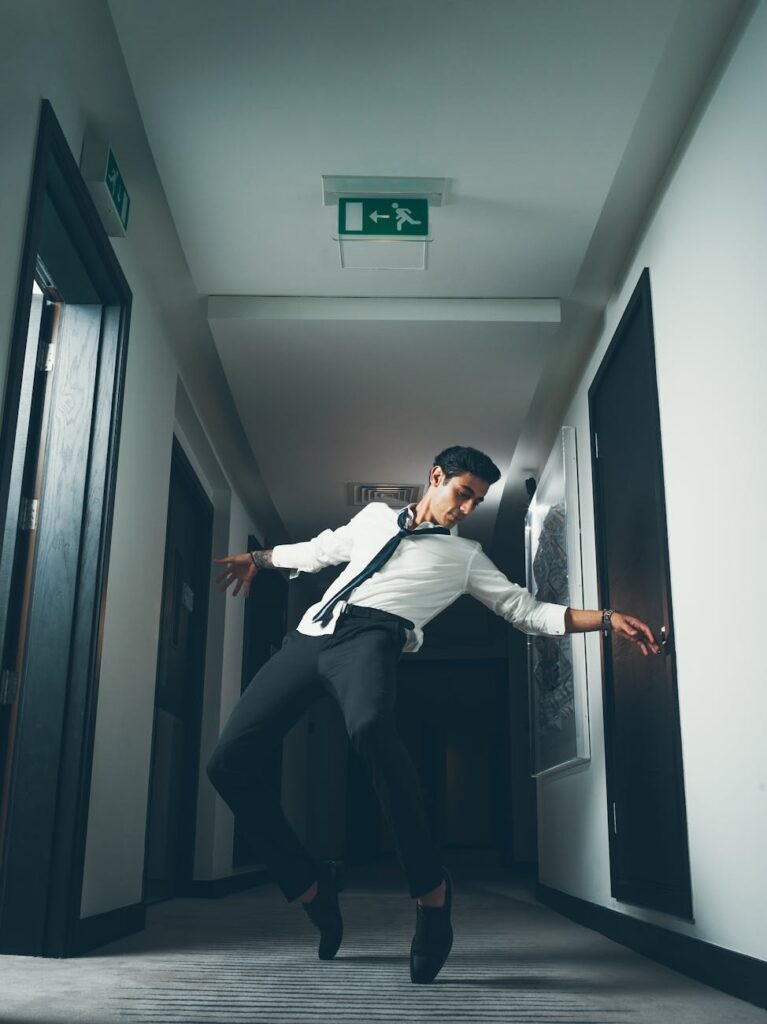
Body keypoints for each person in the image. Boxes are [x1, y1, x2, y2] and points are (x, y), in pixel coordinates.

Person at [207, 445, 659, 984]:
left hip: (372, 638)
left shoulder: (463, 558)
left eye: (478, 501)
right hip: (311, 636)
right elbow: (320, 550)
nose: (467, 508)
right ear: (436, 477)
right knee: (227, 763)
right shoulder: (375, 516)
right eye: (462, 493)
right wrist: (257, 560)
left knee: (371, 728)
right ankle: (309, 885)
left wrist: (606, 619)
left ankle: (431, 894)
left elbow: (528, 611)